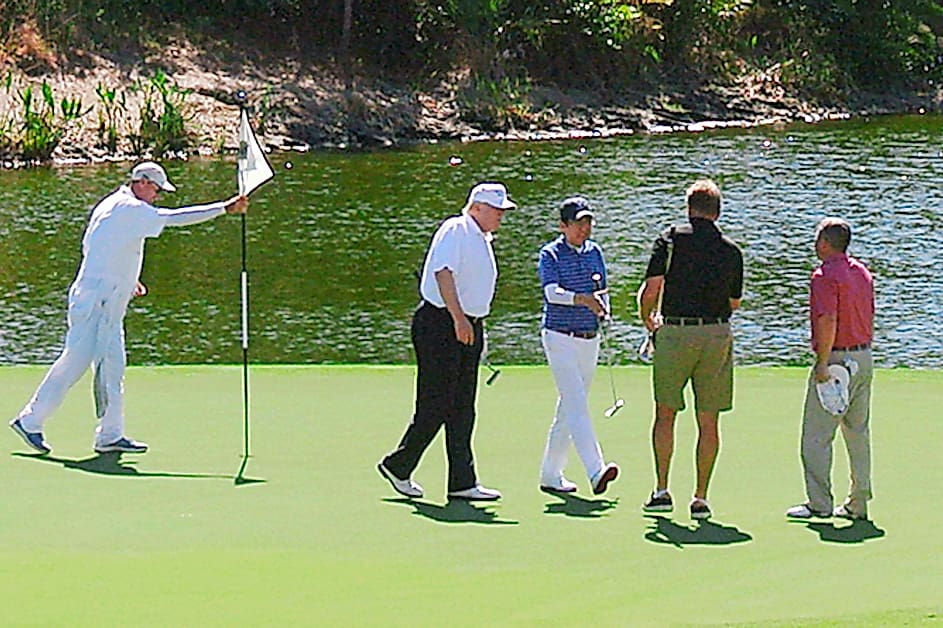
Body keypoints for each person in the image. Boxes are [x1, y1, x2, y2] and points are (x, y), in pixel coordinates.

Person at [9, 161, 249, 455]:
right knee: (77, 362)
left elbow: (95, 245)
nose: (157, 196)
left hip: (104, 298)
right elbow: (173, 219)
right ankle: (31, 420)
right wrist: (224, 208)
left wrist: (129, 280)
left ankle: (108, 434)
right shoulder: (129, 208)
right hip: (97, 300)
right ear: (143, 182)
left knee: (112, 365)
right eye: (157, 189)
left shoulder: (112, 204)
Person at [378, 182, 516, 501]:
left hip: (467, 325)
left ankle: (462, 482)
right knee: (436, 402)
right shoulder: (457, 228)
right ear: (477, 207)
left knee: (462, 407)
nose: (500, 217)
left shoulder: (481, 237)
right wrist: (458, 318)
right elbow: (443, 274)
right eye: (496, 210)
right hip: (441, 323)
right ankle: (399, 465)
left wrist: (472, 322)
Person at [637, 179, 743, 520]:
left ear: (689, 208)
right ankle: (700, 497)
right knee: (708, 419)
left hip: (676, 331)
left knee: (665, 412)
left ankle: (662, 489)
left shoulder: (669, 241)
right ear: (718, 211)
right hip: (715, 334)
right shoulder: (731, 250)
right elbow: (734, 301)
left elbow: (652, 288)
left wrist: (647, 320)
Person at [787, 218, 875, 520]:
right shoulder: (861, 272)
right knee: (858, 432)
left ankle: (820, 503)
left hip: (838, 361)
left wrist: (822, 363)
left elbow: (827, 319)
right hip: (863, 357)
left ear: (825, 242)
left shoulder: (824, 275)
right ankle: (858, 501)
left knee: (816, 435)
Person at [537, 197, 619, 496]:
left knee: (569, 408)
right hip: (559, 336)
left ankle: (550, 473)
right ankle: (596, 470)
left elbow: (602, 289)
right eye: (578, 223)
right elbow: (551, 293)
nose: (584, 228)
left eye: (588, 223)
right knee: (577, 405)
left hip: (589, 337)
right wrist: (582, 299)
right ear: (563, 226)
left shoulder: (594, 252)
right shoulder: (551, 254)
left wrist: (604, 311)